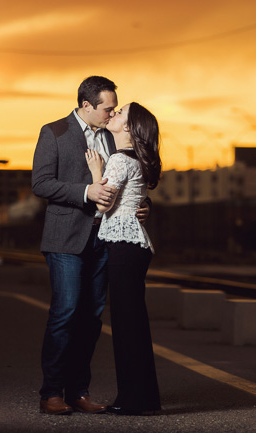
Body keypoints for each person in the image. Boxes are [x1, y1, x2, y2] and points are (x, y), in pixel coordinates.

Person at [32, 76, 150, 415]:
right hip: (65, 238)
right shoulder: (53, 132)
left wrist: (144, 206)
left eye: (115, 108)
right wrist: (87, 192)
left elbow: (132, 179)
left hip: (105, 239)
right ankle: (51, 392)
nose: (112, 112)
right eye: (107, 108)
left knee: (91, 317)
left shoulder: (114, 135)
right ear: (86, 106)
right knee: (65, 312)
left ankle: (78, 391)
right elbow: (41, 182)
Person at [85, 102, 162, 416]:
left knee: (126, 326)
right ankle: (145, 399)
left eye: (121, 113)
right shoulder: (136, 159)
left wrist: (95, 173)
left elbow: (103, 205)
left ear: (130, 128)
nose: (114, 114)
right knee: (135, 325)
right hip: (136, 246)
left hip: (123, 245)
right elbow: (133, 198)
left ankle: (132, 400)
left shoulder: (118, 159)